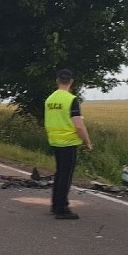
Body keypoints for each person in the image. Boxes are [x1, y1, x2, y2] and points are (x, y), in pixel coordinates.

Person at [44, 69, 93, 220]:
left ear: (57, 81)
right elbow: (78, 125)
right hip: (69, 141)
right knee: (66, 175)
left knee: (60, 173)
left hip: (54, 140)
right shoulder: (71, 99)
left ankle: (55, 204)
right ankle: (61, 208)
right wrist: (87, 142)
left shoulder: (50, 99)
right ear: (71, 81)